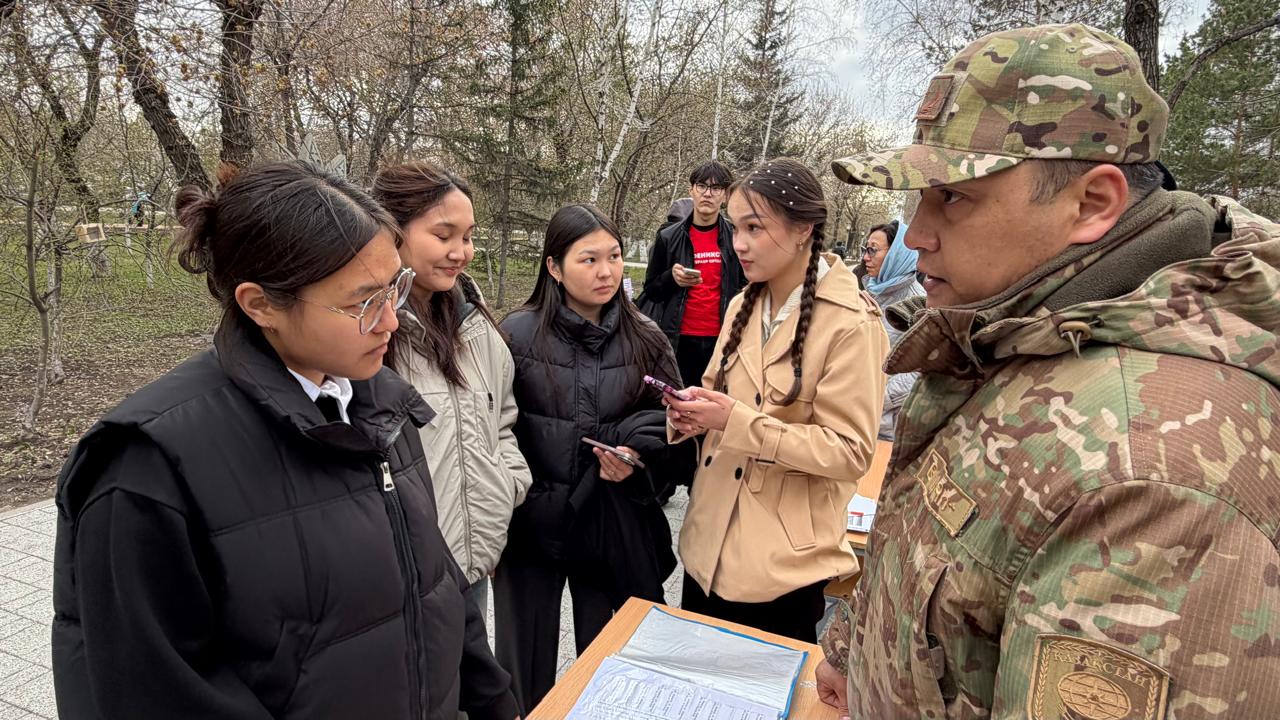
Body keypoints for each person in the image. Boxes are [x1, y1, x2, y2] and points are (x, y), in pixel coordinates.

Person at [816, 23, 1280, 720]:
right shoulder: (1021, 330)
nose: (916, 234)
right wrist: (860, 653)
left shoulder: (1152, 473)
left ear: (1092, 204)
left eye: (953, 196)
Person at [51, 161, 520, 720]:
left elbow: (434, 586)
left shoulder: (381, 406)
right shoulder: (147, 466)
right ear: (261, 304)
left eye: (393, 288)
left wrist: (495, 701)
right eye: (361, 302)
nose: (391, 322)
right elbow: (154, 689)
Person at [664, 157, 889, 642]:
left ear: (804, 228)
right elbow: (715, 391)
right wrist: (690, 414)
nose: (738, 243)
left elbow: (849, 452)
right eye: (735, 226)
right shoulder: (743, 304)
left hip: (782, 565)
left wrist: (736, 420)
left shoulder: (852, 322)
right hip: (707, 547)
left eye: (754, 228)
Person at [494, 204, 694, 711]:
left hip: (609, 525)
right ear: (554, 267)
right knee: (522, 669)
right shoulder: (513, 336)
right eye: (588, 259)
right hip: (530, 529)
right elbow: (490, 430)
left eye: (615, 256)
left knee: (612, 664)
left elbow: (680, 432)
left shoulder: (646, 339)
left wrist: (639, 461)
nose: (606, 272)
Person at [372, 160, 532, 617]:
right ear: (391, 230)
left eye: (468, 236)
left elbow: (502, 421)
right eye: (444, 236)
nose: (462, 251)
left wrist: (505, 488)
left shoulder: (476, 328)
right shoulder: (367, 335)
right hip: (395, 580)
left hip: (470, 568)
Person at [637, 160, 748, 387]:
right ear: (691, 190)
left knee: (712, 405)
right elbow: (651, 291)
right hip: (678, 339)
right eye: (701, 186)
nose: (708, 194)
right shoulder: (668, 237)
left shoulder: (737, 239)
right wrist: (671, 278)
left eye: (716, 188)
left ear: (725, 196)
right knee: (678, 402)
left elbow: (747, 287)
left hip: (722, 339)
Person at [861, 220, 924, 441]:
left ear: (897, 253)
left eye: (872, 250)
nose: (865, 257)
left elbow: (917, 371)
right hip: (854, 416)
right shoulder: (868, 293)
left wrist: (873, 401)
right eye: (865, 249)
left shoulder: (918, 303)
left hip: (884, 427)